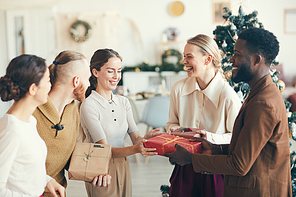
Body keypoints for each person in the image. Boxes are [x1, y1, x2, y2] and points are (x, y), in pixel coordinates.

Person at [164, 28, 292, 196]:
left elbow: (239, 164)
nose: (231, 60)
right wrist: (215, 149)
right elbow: (245, 146)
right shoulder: (260, 92)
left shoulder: (263, 102)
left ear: (256, 59)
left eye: (237, 54)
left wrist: (190, 158)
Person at [165, 34, 242, 197]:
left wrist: (208, 137)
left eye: (189, 57)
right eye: (184, 56)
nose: (184, 61)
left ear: (208, 60)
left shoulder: (228, 96)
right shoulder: (178, 89)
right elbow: (171, 123)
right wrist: (182, 131)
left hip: (214, 169)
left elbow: (236, 137)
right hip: (184, 166)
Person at [80, 48, 160, 197]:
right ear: (95, 72)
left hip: (123, 164)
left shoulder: (124, 102)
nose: (116, 76)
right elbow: (104, 149)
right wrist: (137, 149)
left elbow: (136, 138)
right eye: (111, 71)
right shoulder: (89, 105)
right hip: (100, 171)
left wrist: (146, 139)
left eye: (119, 71)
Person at [33, 51, 111, 197]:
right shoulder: (31, 112)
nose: (89, 84)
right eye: (87, 79)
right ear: (76, 81)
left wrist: (95, 172)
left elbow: (71, 158)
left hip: (58, 192)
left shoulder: (73, 111)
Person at [0, 54, 65, 197]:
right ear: (33, 89)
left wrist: (47, 181)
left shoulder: (30, 121)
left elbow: (24, 168)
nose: (50, 85)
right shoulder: (11, 131)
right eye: (48, 80)